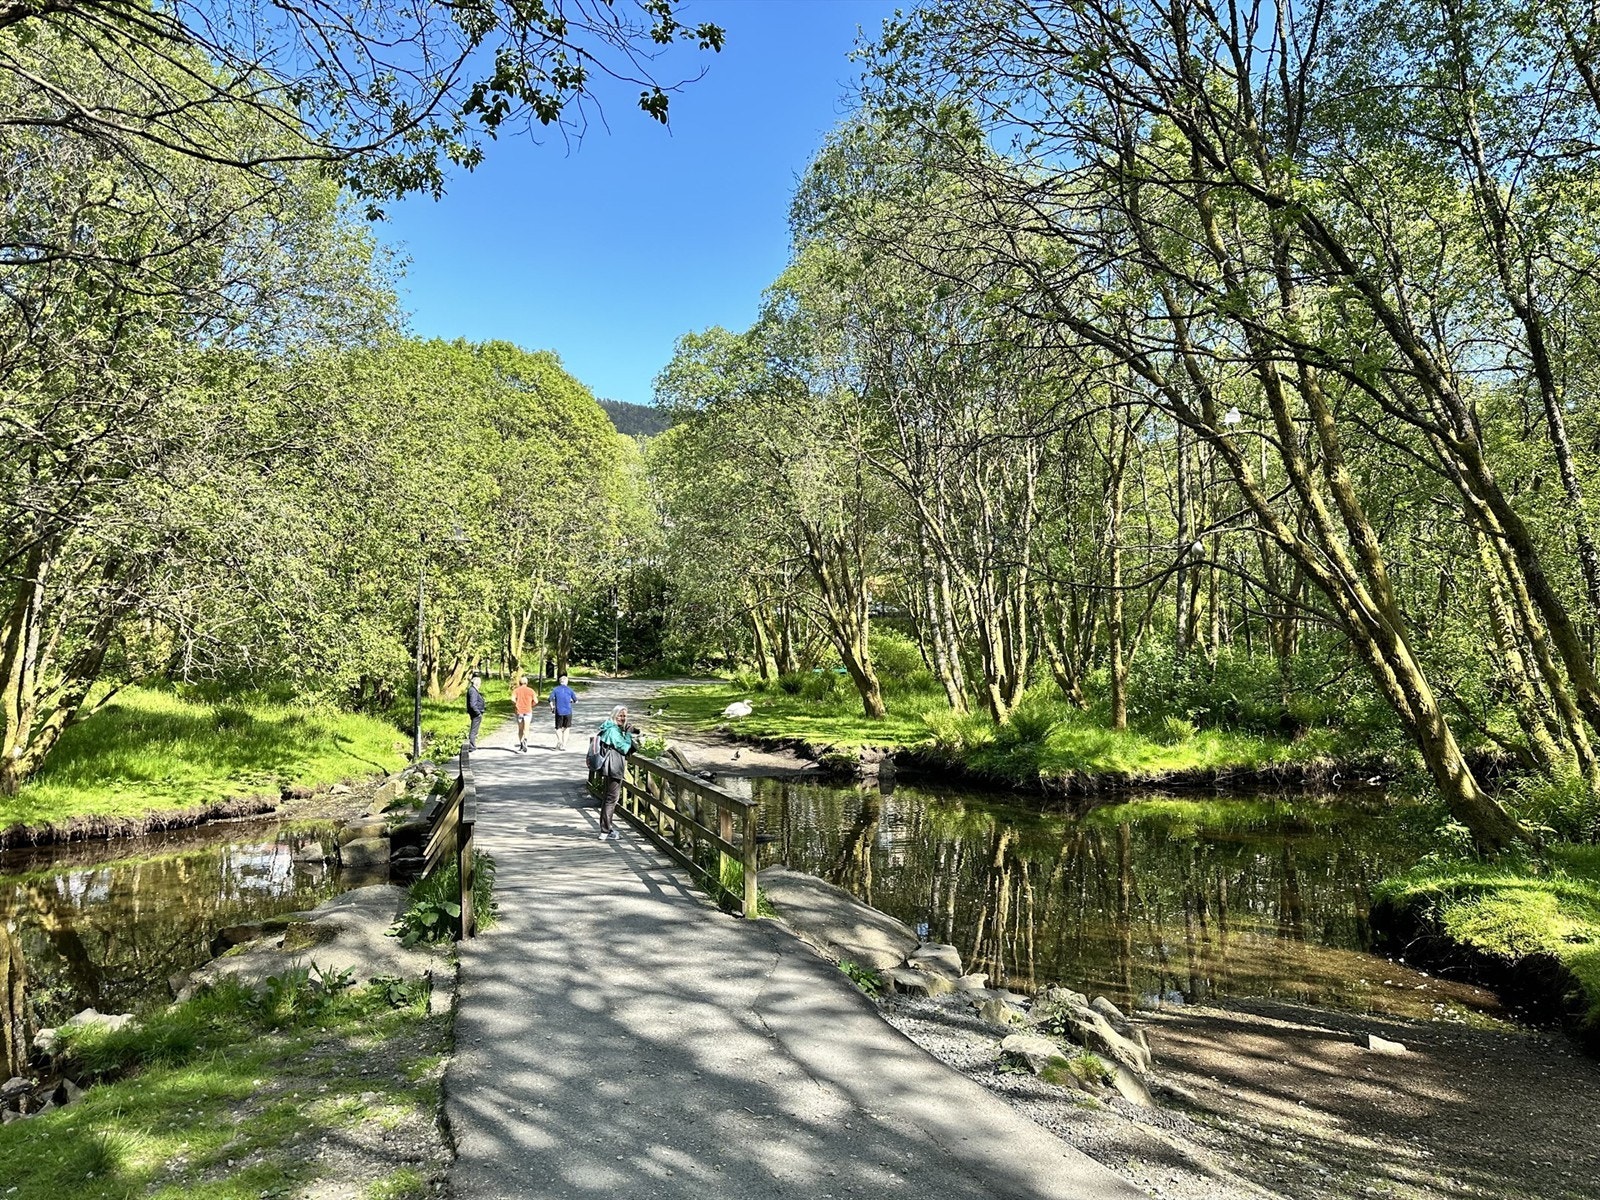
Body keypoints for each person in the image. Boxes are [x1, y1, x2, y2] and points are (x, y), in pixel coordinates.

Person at [594, 704, 640, 841]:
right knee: (611, 799)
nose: (623, 718)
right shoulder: (613, 730)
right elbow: (624, 748)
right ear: (614, 715)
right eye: (620, 715)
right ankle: (605, 831)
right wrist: (628, 735)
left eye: (625, 716)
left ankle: (606, 828)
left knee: (608, 798)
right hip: (613, 767)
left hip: (608, 767)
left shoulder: (608, 727)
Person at [548, 673, 577, 750]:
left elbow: (550, 699)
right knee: (567, 728)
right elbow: (576, 700)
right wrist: (570, 701)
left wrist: (552, 707)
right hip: (568, 711)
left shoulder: (555, 689)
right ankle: (564, 745)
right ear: (566, 682)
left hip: (559, 711)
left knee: (558, 727)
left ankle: (560, 740)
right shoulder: (570, 690)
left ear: (559, 682)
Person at [512, 675, 538, 752]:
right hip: (528, 711)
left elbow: (513, 699)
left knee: (520, 728)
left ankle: (521, 743)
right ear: (527, 683)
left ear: (519, 683)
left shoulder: (516, 690)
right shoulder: (531, 690)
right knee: (526, 728)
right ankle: (525, 740)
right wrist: (531, 705)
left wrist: (516, 704)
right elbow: (536, 701)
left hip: (519, 711)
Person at [464, 672, 486, 752]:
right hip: (476, 714)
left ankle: (472, 745)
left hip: (477, 713)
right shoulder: (472, 690)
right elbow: (472, 704)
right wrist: (478, 713)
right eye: (479, 683)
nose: (480, 684)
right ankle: (471, 746)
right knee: (473, 730)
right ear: (476, 683)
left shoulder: (473, 690)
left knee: (475, 730)